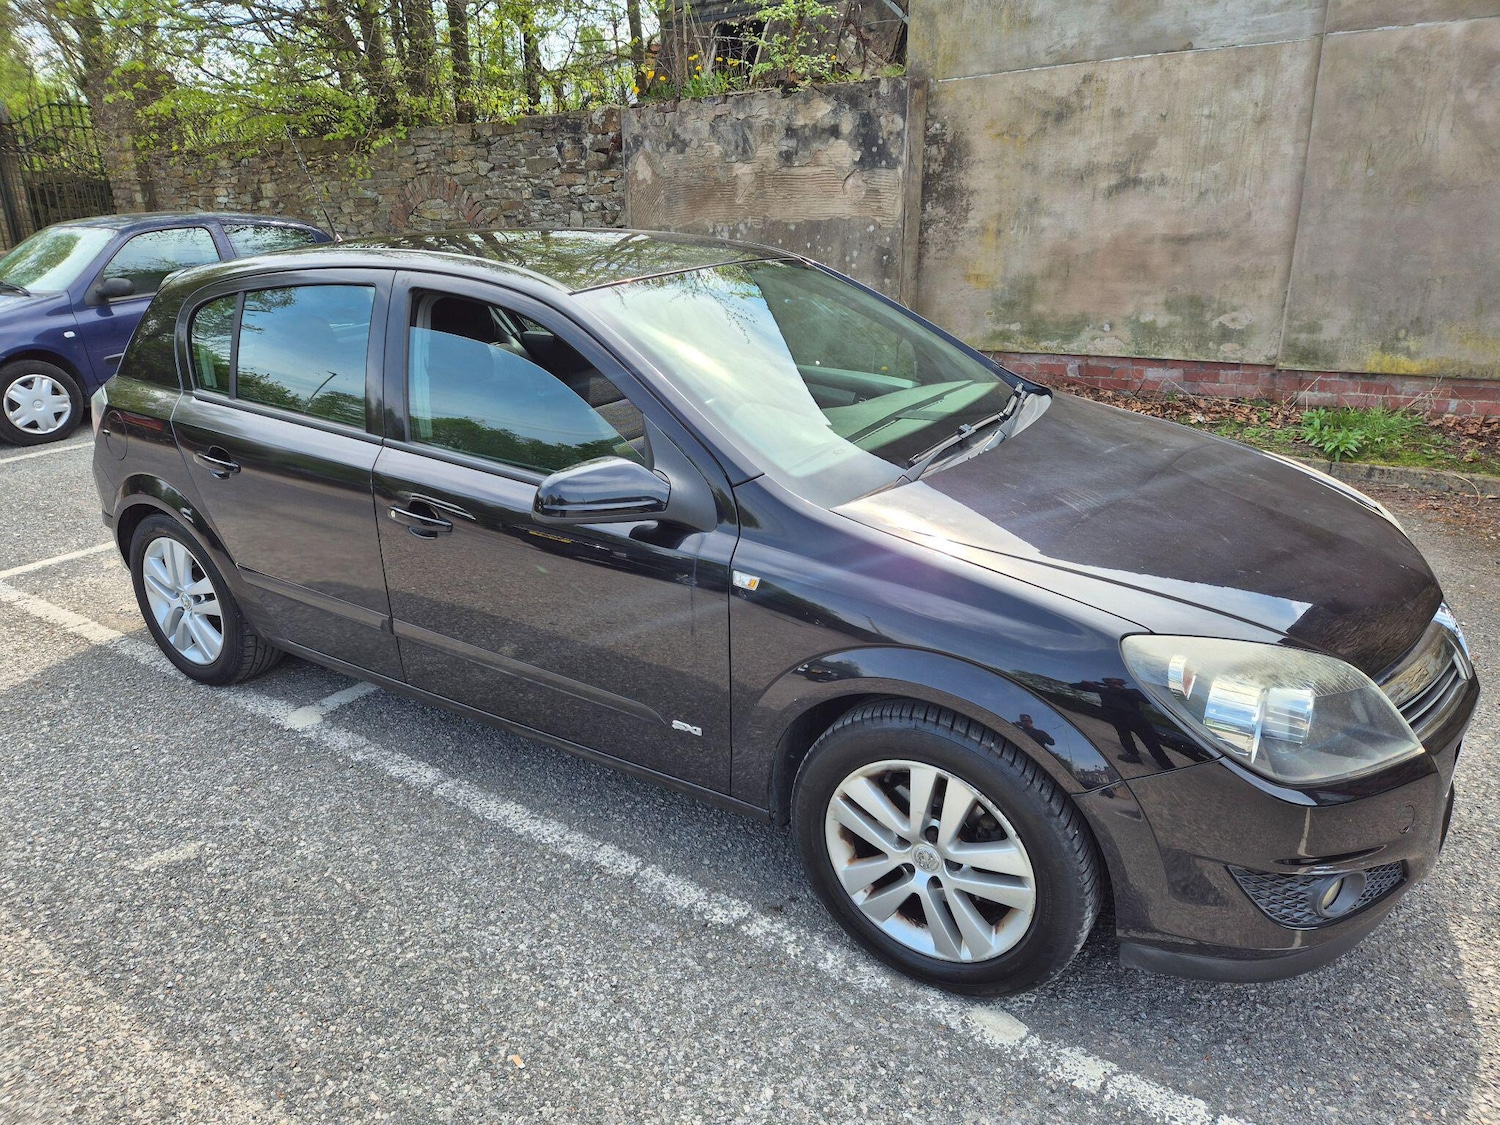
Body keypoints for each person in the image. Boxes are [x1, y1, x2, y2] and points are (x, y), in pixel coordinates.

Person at [1073, 677, 1174, 768]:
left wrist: (1116, 690)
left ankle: (1167, 765)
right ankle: (1133, 755)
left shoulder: (1131, 692)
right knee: (1124, 736)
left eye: (1115, 683)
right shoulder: (1104, 690)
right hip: (1119, 719)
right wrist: (1085, 683)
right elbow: (1076, 686)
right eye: (1109, 682)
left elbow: (1146, 701)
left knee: (1151, 742)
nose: (1112, 684)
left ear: (1122, 684)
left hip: (1136, 719)